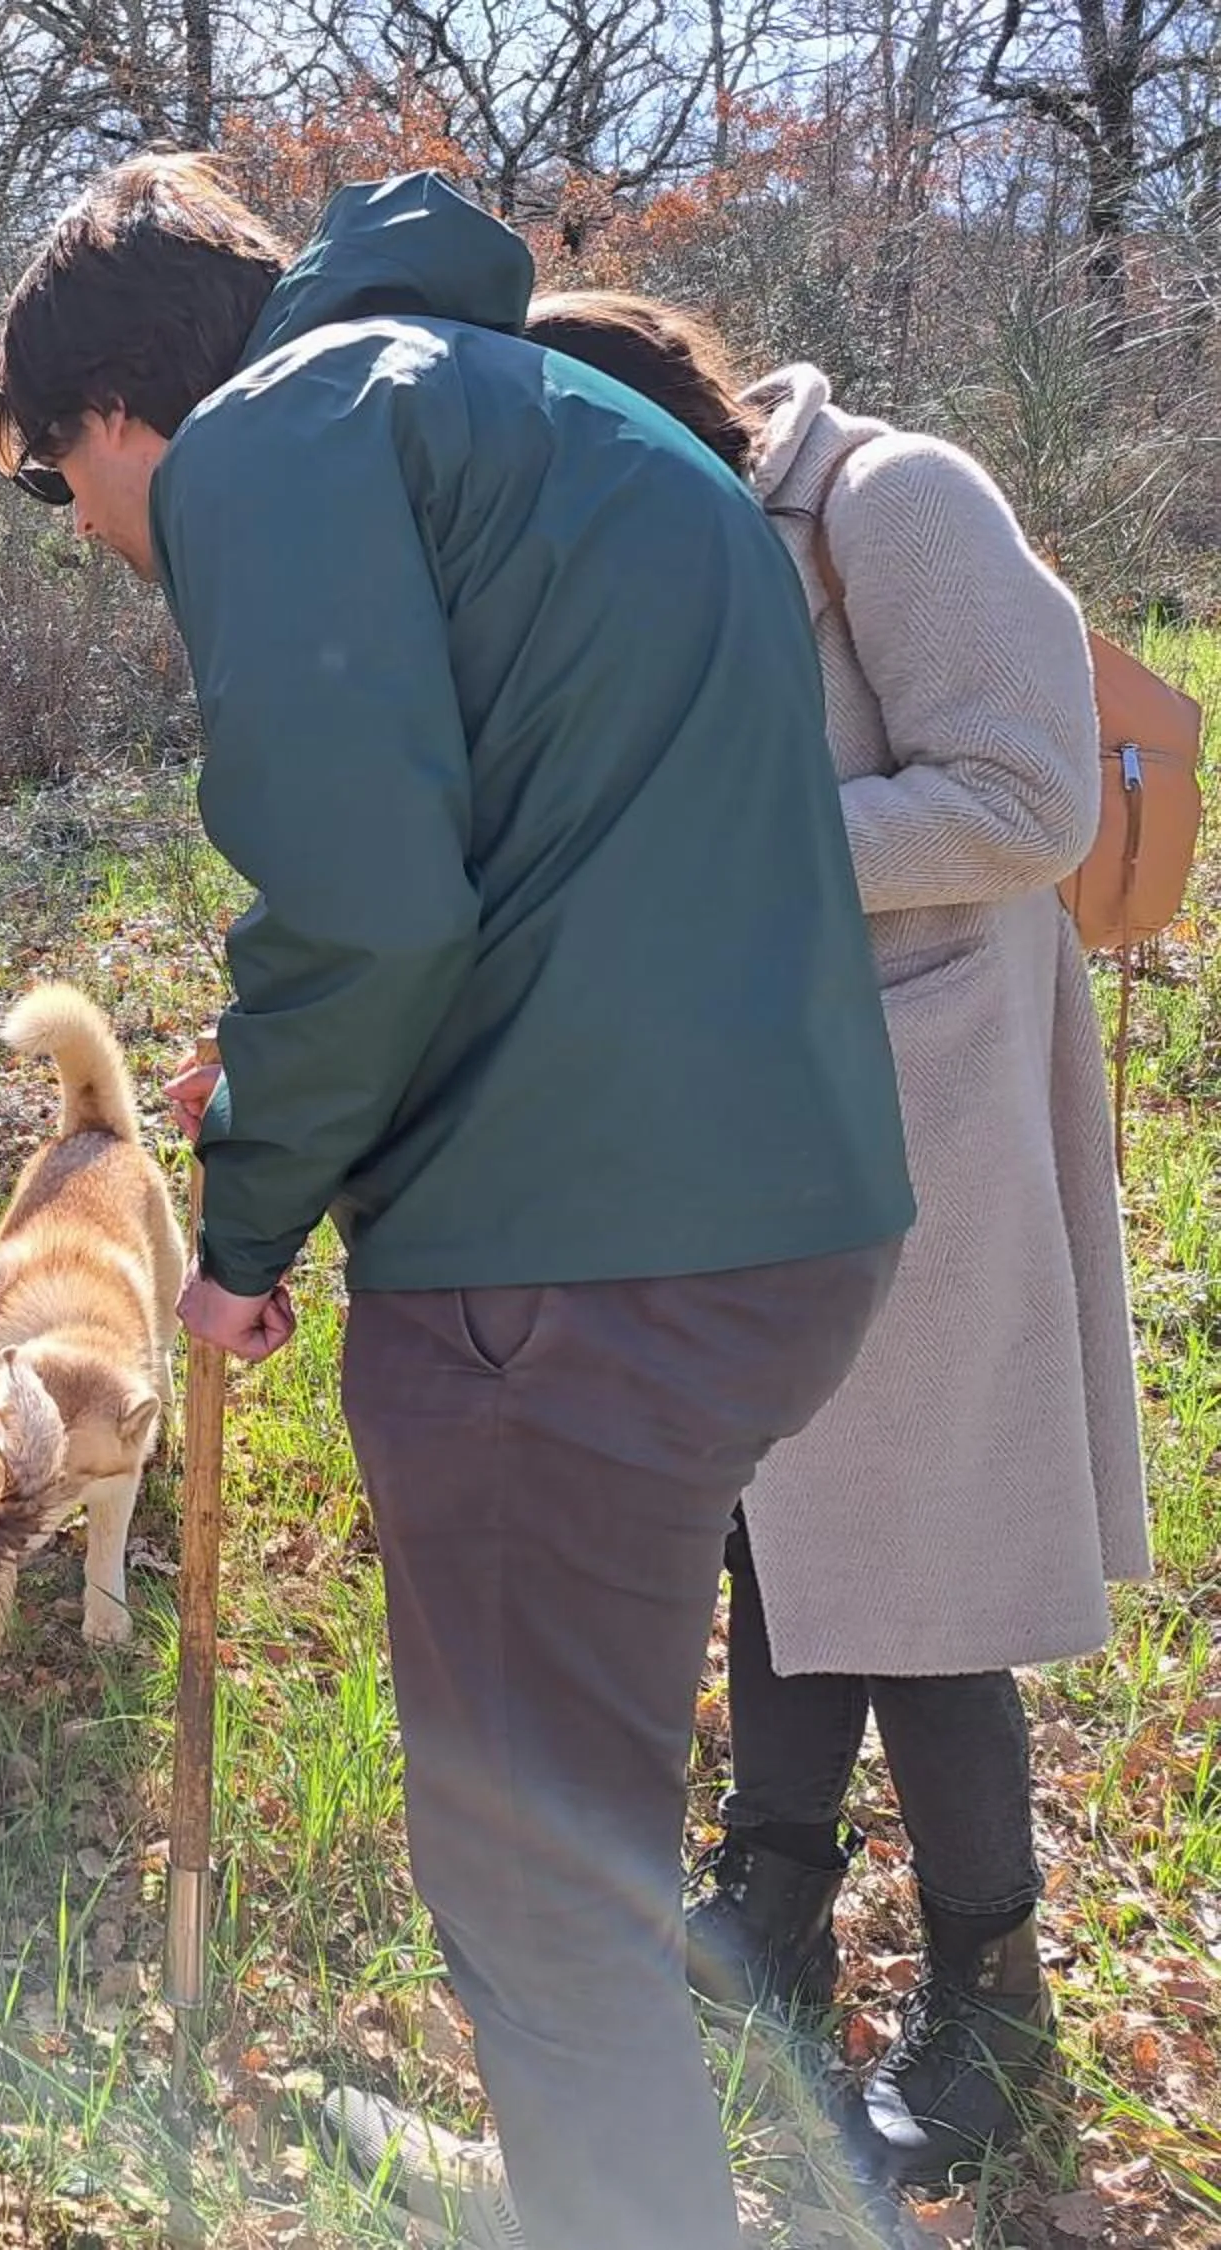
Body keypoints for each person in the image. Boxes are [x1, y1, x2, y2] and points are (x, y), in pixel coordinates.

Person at [0, 163, 915, 2249]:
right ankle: (594, 2181)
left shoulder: (280, 432)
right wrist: (300, 1084)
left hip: (573, 1275)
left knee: (535, 1886)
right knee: (583, 1837)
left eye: (61, 483)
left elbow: (374, 915)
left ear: (117, 408)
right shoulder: (562, 416)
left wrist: (239, 1231)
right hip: (775, 1222)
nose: (97, 531)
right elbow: (535, 871)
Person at [524, 290, 1150, 2183]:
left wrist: (721, 835)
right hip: (761, 1113)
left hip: (926, 1102)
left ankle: (994, 2010)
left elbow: (1030, 799)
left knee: (921, 1572)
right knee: (776, 1522)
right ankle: (773, 1911)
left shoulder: (899, 499)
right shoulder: (671, 557)